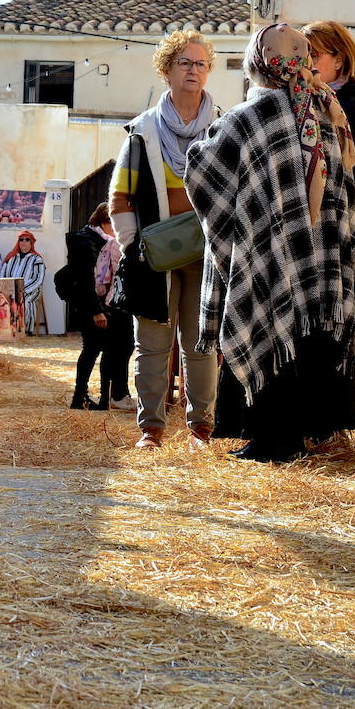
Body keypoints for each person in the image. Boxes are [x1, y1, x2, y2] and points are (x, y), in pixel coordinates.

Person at [183, 23, 355, 462]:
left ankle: (272, 439)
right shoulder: (327, 110)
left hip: (267, 253)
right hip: (320, 258)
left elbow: (202, 171)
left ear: (257, 62)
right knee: (310, 331)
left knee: (269, 316)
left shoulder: (249, 117)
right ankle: (303, 434)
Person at [109, 30, 221, 450]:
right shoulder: (142, 131)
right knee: (152, 347)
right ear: (167, 70)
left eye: (201, 64)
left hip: (207, 255)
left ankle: (201, 430)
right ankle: (151, 430)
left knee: (201, 344)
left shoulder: (223, 127)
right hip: (154, 257)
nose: (193, 70)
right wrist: (133, 248)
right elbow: (120, 197)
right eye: (184, 63)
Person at [301, 21, 355, 194]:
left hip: (338, 208)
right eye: (303, 56)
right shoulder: (316, 96)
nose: (306, 64)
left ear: (338, 60)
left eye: (314, 56)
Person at [63, 203, 132, 411]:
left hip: (96, 304)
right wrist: (96, 311)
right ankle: (81, 397)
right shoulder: (88, 242)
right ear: (104, 222)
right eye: (115, 223)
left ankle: (100, 398)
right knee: (93, 351)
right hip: (93, 305)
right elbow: (86, 280)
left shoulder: (96, 239)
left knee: (103, 351)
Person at [0, 231, 45, 334]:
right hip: (10, 290)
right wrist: (2, 289)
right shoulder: (11, 257)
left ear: (31, 243)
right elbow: (1, 274)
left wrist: (22, 291)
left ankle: (25, 330)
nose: (24, 242)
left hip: (30, 290)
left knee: (23, 301)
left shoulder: (37, 259)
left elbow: (38, 279)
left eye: (27, 239)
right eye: (21, 239)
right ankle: (5, 331)